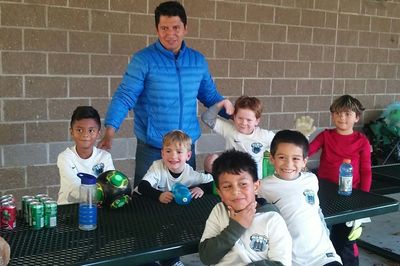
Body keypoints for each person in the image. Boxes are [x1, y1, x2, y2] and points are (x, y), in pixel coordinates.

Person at [97, 1, 233, 186]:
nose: (170, 34)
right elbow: (125, 96)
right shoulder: (143, 60)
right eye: (164, 28)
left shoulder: (197, 61)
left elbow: (210, 97)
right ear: (157, 29)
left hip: (185, 149)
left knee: (183, 203)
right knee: (146, 203)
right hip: (153, 147)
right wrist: (110, 131)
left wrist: (238, 115)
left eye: (176, 27)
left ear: (185, 28)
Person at [259, 130, 342, 266]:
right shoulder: (263, 187)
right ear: (272, 159)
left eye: (296, 158)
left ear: (304, 161)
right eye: (282, 157)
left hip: (323, 255)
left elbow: (316, 210)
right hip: (291, 259)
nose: (288, 164)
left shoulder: (311, 180)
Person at [199, 149, 292, 266]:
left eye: (243, 184)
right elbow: (206, 257)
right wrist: (236, 227)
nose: (236, 191)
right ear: (220, 193)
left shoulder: (272, 219)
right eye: (227, 186)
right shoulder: (219, 211)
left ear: (256, 186)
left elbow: (281, 263)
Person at [308, 95, 372, 266]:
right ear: (332, 115)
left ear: (356, 117)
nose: (342, 117)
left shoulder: (362, 141)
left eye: (347, 114)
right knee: (323, 236)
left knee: (346, 240)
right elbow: (305, 152)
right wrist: (302, 136)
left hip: (351, 196)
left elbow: (366, 171)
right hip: (325, 194)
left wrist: (363, 203)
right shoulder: (326, 135)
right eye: (337, 113)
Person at [201, 96, 275, 178]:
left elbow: (282, 147)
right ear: (234, 117)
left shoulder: (265, 135)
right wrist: (222, 103)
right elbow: (207, 118)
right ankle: (208, 186)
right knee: (211, 159)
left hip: (251, 180)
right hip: (231, 176)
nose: (243, 123)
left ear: (257, 121)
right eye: (240, 118)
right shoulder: (229, 129)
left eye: (249, 120)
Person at [136, 130, 213, 203]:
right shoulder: (157, 167)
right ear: (162, 154)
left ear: (188, 155)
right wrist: (159, 195)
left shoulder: (190, 173)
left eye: (179, 152)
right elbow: (142, 186)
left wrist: (201, 188)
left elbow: (213, 181)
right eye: (168, 151)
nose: (173, 156)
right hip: (145, 201)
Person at [57, 106, 115, 205]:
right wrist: (105, 191)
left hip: (96, 209)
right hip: (69, 210)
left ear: (98, 133)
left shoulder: (105, 157)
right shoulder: (65, 157)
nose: (85, 135)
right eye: (79, 130)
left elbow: (112, 186)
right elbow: (75, 191)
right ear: (71, 132)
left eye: (91, 130)